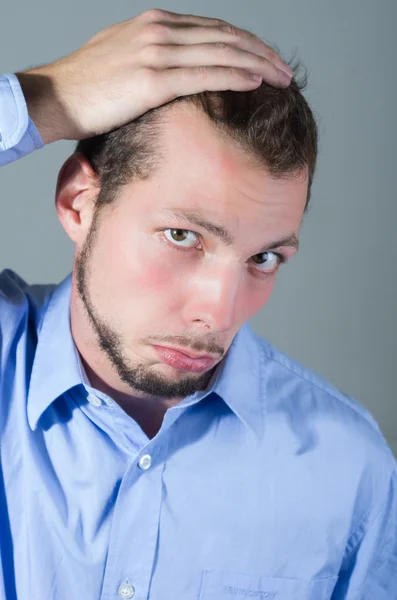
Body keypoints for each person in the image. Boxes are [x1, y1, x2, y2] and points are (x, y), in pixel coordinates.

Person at [0, 7, 395, 600]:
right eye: (183, 236)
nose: (219, 313)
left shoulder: (347, 467)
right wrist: (45, 99)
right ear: (80, 203)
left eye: (264, 259)